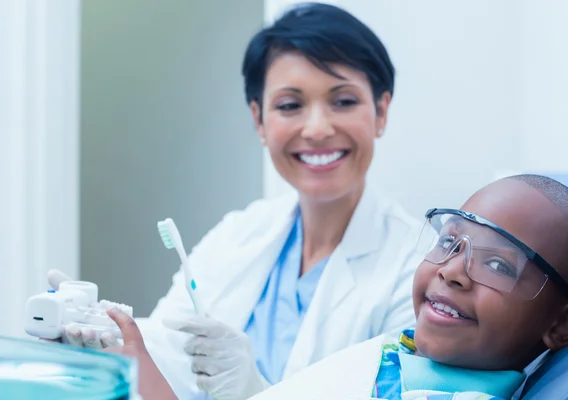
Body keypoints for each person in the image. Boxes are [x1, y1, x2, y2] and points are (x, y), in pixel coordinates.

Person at [44, 3, 423, 399]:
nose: (316, 128)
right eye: (290, 105)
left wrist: (256, 392)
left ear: (381, 110)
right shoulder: (238, 235)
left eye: (343, 101)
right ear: (259, 120)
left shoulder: (414, 269)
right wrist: (111, 339)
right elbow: (161, 361)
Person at [246, 174, 568, 400]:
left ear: (559, 325)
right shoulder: (405, 352)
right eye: (449, 242)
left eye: (498, 265)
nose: (451, 271)